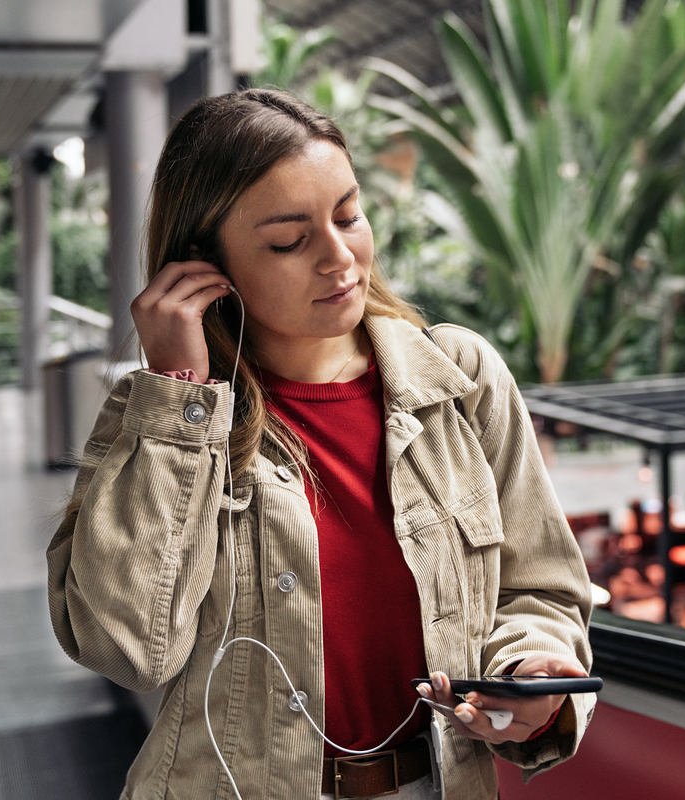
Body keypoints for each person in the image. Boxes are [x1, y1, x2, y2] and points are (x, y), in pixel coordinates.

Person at [47, 88, 594, 800]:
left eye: (348, 215)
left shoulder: (458, 379)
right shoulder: (161, 417)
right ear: (204, 263)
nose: (340, 258)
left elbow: (543, 587)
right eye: (288, 240)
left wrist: (531, 670)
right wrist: (181, 393)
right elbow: (126, 648)